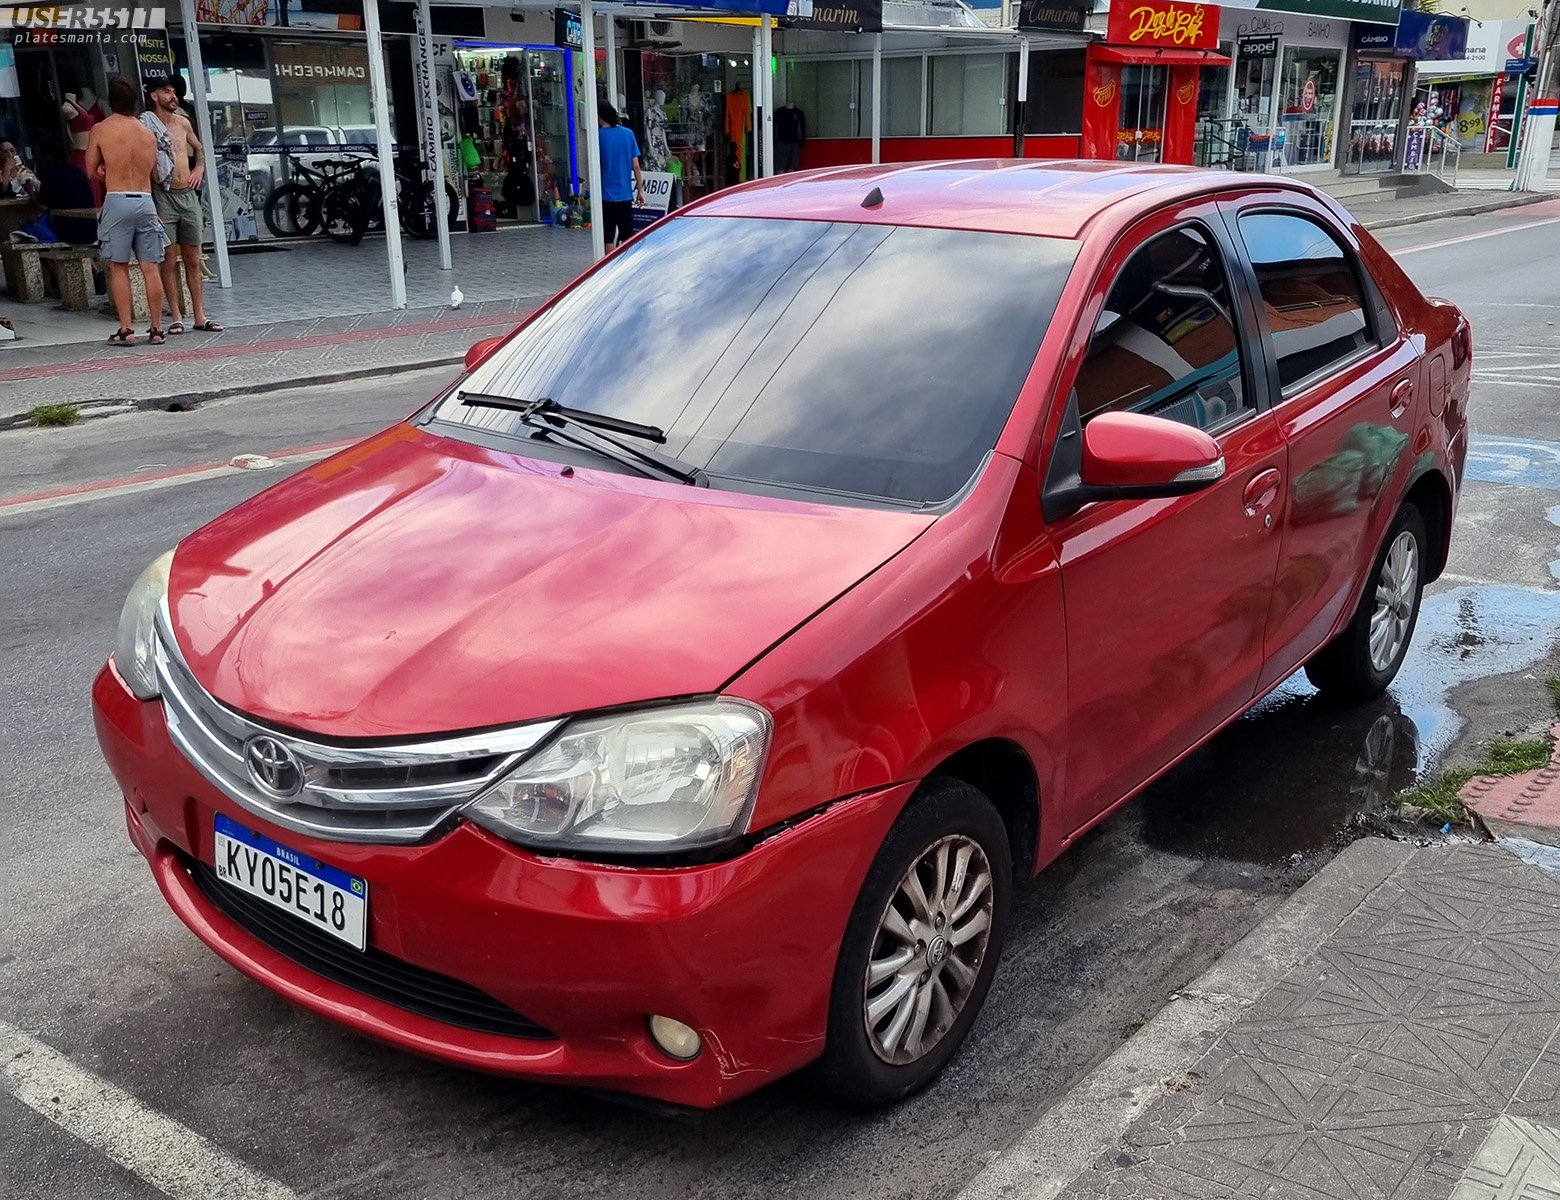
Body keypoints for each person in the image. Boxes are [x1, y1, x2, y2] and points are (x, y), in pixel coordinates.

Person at [86, 75, 168, 346]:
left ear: (111, 100)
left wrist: (104, 170)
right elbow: (155, 174)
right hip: (145, 200)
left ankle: (126, 328)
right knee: (150, 267)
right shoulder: (147, 133)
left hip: (117, 198)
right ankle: (157, 328)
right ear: (135, 100)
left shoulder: (101, 129)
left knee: (118, 266)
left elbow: (90, 170)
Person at [142, 75, 221, 334]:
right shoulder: (146, 125)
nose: (173, 96)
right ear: (154, 96)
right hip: (163, 194)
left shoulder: (183, 123)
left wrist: (199, 168)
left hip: (187, 195)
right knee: (168, 260)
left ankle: (200, 315)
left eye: (174, 92)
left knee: (193, 259)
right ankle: (176, 316)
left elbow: (200, 148)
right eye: (167, 91)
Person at [595, 100, 643, 251]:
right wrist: (640, 191)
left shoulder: (598, 136)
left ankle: (610, 263)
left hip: (606, 194)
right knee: (627, 236)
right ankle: (626, 262)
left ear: (599, 116)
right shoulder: (628, 134)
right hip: (625, 194)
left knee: (608, 236)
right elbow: (636, 166)